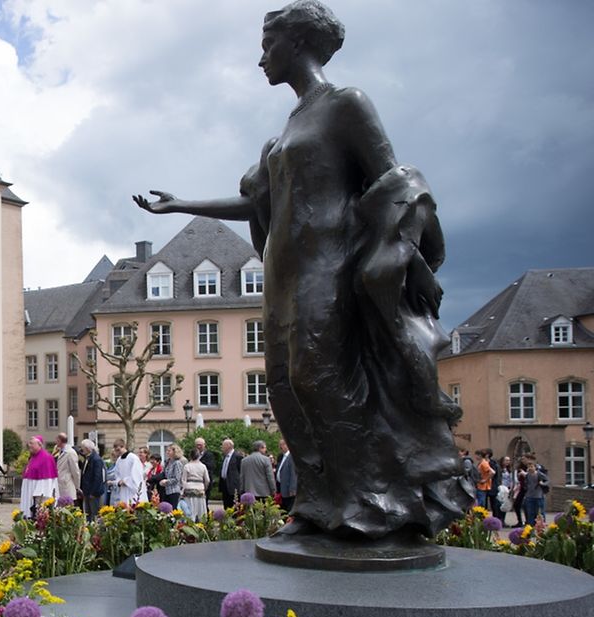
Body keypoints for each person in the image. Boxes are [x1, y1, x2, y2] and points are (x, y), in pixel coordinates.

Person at [134, 0, 468, 539]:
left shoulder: (346, 105)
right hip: (283, 273)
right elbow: (259, 204)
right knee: (288, 387)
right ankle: (318, 506)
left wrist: (404, 258)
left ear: (300, 42)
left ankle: (373, 505)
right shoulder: (286, 130)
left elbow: (394, 183)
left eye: (269, 44)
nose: (261, 57)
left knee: (325, 379)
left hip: (329, 269)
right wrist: (180, 205)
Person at [19, 436, 58, 516]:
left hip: (38, 495)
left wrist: (39, 494)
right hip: (29, 491)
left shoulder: (46, 457)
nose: (29, 445)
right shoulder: (32, 457)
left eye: (32, 443)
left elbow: (47, 480)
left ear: (39, 444)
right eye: (29, 443)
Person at [78, 439, 107, 522]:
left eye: (82, 448)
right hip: (86, 491)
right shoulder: (87, 458)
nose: (81, 450)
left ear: (87, 448)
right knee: (87, 513)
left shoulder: (96, 459)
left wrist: (93, 492)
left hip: (93, 493)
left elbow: (97, 477)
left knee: (94, 514)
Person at [110, 438, 145, 505]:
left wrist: (126, 481)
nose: (118, 452)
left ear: (124, 446)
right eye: (116, 450)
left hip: (133, 490)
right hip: (123, 490)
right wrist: (119, 481)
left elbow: (137, 474)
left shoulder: (133, 458)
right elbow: (117, 474)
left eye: (119, 450)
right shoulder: (119, 460)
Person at [181, 448, 211, 519]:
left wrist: (182, 491)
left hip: (189, 488)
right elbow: (207, 480)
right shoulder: (203, 466)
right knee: (201, 510)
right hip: (200, 488)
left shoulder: (187, 466)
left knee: (190, 510)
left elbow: (183, 480)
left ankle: (190, 522)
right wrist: (205, 487)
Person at [54, 433, 80, 503]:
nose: (55, 442)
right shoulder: (59, 451)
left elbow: (75, 471)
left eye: (56, 440)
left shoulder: (70, 453)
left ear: (60, 441)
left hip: (67, 484)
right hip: (60, 484)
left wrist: (77, 486)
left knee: (68, 506)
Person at [218, 439, 242, 510]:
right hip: (225, 485)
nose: (222, 447)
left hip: (233, 486)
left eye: (223, 446)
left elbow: (240, 471)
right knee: (226, 507)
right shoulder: (225, 457)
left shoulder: (237, 457)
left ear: (229, 446)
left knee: (234, 507)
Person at [194, 437, 218, 502]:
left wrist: (200, 463)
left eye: (200, 445)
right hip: (195, 481)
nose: (199, 447)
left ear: (204, 445)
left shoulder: (209, 455)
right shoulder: (193, 454)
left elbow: (212, 466)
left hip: (205, 481)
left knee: (205, 501)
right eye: (197, 445)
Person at [276, 439, 298, 512]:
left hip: (289, 490)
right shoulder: (282, 456)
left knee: (289, 509)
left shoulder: (291, 456)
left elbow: (293, 474)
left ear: (287, 445)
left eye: (281, 445)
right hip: (282, 488)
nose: (280, 447)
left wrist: (292, 489)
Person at [161, 444, 184, 510]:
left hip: (174, 490)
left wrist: (166, 481)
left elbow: (177, 478)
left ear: (174, 452)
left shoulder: (177, 463)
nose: (167, 452)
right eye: (167, 450)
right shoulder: (168, 462)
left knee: (173, 510)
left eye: (169, 450)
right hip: (167, 490)